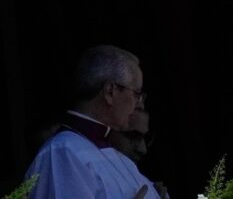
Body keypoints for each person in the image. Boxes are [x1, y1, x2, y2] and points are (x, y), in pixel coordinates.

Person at [26, 45, 165, 198]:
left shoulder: (120, 158)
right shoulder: (62, 152)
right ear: (110, 91)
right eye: (136, 94)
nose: (140, 105)